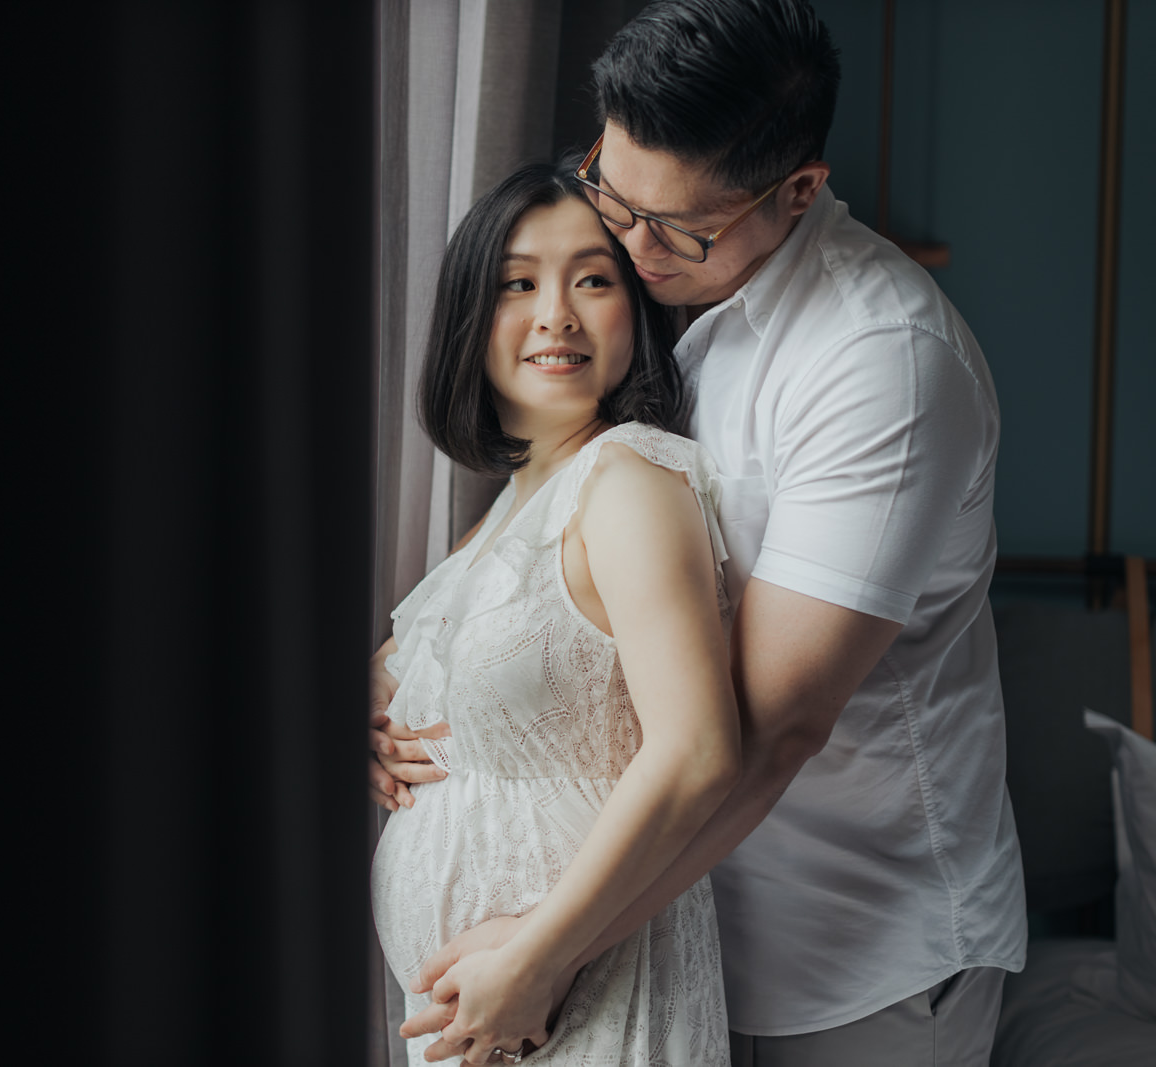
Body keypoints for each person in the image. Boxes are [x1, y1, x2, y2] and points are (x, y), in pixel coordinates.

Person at [371, 2, 1027, 1064]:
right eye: (609, 194)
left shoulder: (878, 363)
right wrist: (411, 668)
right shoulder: (649, 284)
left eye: (671, 228)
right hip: (653, 934)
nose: (627, 248)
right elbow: (555, 523)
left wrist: (548, 949)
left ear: (799, 192)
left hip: (844, 954)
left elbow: (769, 727)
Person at [369, 158, 741, 1066]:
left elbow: (698, 750)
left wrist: (537, 956)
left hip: (575, 987)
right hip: (487, 1016)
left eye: (592, 280)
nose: (556, 315)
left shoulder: (628, 477)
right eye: (518, 284)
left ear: (636, 310)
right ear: (471, 316)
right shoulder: (504, 511)